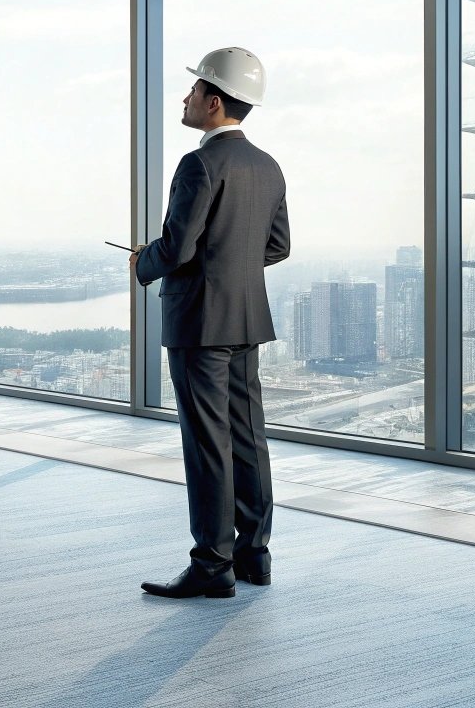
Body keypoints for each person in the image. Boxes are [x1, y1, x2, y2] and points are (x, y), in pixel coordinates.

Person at [131, 47, 289, 599]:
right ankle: (254, 555)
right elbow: (277, 246)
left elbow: (176, 249)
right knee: (248, 438)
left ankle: (212, 565)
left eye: (194, 89)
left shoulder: (198, 164)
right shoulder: (268, 166)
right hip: (246, 318)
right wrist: (228, 265)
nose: (186, 97)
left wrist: (142, 261)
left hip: (199, 322)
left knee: (206, 444)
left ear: (215, 101)